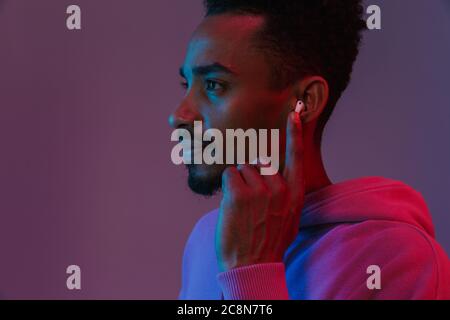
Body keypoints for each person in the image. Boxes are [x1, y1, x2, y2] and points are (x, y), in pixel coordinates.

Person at [169, 0, 450, 300]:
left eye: (214, 85)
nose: (179, 115)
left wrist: (251, 271)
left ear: (304, 101)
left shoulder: (401, 260)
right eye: (187, 83)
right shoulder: (206, 238)